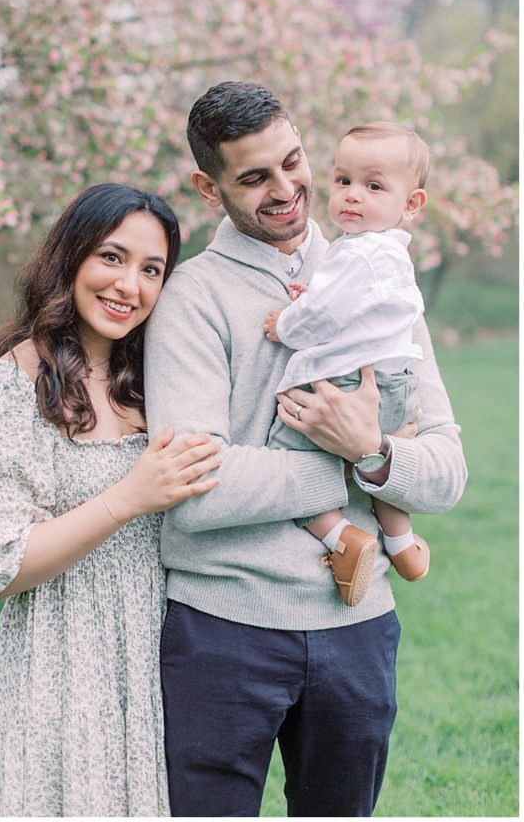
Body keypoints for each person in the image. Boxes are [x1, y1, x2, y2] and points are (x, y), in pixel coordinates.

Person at [144, 82, 467, 818]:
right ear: (209, 186)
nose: (287, 189)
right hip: (221, 630)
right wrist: (350, 459)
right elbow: (199, 491)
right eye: (254, 177)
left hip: (358, 633)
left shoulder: (382, 277)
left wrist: (378, 453)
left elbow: (445, 474)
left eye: (293, 162)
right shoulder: (192, 298)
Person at [0, 183, 221, 818]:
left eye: (151, 270)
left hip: (160, 664)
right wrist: (128, 497)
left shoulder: (164, 384)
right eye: (111, 257)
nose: (128, 286)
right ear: (71, 257)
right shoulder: (6, 387)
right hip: (54, 666)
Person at [263, 121, 432, 607]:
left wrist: (285, 323)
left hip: (345, 383)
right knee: (383, 468)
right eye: (343, 181)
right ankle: (402, 545)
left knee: (290, 458)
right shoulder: (393, 256)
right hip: (397, 387)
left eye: (373, 186)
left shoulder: (352, 254)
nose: (352, 196)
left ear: (411, 204)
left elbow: (319, 315)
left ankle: (341, 537)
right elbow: (349, 308)